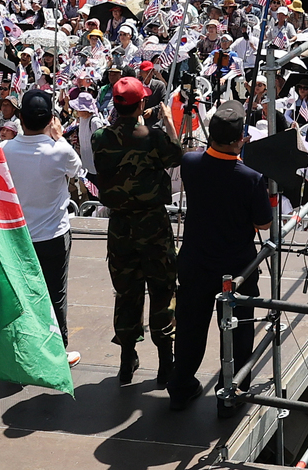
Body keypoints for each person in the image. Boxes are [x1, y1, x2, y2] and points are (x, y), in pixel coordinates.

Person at [168, 100, 271, 412]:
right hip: (236, 267)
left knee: (189, 329)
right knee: (239, 333)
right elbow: (263, 222)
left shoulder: (190, 163)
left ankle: (181, 387)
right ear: (240, 139)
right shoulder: (251, 178)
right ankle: (234, 391)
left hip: (196, 261)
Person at [93, 75, 183, 386]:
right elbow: (177, 155)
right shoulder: (154, 136)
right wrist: (168, 122)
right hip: (152, 223)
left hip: (120, 225)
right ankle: (165, 363)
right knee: (162, 289)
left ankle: (126, 359)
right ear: (141, 103)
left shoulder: (100, 137)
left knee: (127, 291)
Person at [2, 89, 83, 364]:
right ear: (51, 118)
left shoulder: (6, 151)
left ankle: (21, 351)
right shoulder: (60, 150)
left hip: (17, 238)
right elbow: (77, 170)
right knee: (54, 296)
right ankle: (57, 353)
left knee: (21, 296)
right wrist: (57, 136)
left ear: (20, 118)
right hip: (53, 237)